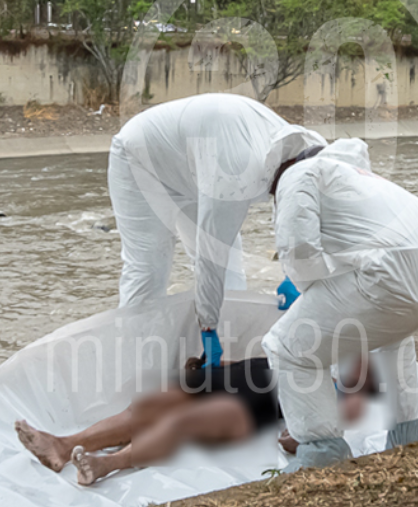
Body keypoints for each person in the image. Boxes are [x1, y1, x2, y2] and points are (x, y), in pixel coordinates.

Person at [261, 138, 418, 472]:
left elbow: (299, 252)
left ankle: (322, 451)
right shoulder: (359, 176)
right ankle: (411, 431)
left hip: (394, 277)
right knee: (392, 334)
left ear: (279, 172)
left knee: (288, 346)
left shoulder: (298, 174)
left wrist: (309, 297)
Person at [109, 94, 325, 365]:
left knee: (232, 273)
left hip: (195, 163)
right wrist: (208, 327)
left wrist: (293, 274)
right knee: (149, 268)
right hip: (141, 160)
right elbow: (212, 257)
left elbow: (297, 215)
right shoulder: (237, 173)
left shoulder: (305, 152)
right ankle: (131, 365)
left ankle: (233, 354)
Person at [14, 357, 373, 485]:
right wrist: (209, 367)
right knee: (143, 409)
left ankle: (107, 464)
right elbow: (249, 362)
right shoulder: (299, 358)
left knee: (180, 424)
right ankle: (61, 445)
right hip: (218, 382)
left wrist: (291, 437)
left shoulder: (328, 403)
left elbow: (302, 439)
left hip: (246, 409)